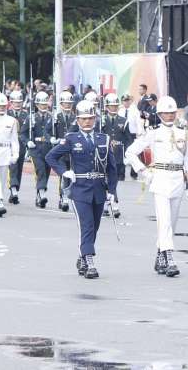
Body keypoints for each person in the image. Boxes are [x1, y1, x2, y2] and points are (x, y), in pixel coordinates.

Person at [125, 96, 188, 278]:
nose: (170, 115)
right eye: (166, 112)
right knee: (164, 221)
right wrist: (144, 171)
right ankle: (170, 257)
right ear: (159, 114)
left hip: (178, 179)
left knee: (171, 222)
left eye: (172, 112)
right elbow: (131, 152)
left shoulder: (184, 133)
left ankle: (161, 253)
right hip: (161, 178)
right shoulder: (153, 132)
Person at [46, 100, 117, 279]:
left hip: (99, 188)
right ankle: (89, 260)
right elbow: (51, 157)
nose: (87, 122)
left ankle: (82, 256)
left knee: (95, 227)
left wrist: (112, 191)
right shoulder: (71, 138)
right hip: (80, 189)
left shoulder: (104, 138)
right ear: (77, 120)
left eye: (90, 118)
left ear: (95, 119)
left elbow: (112, 168)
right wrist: (64, 172)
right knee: (87, 226)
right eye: (83, 119)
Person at [21, 91, 55, 208]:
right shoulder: (31, 118)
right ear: (36, 105)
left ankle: (39, 195)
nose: (43, 106)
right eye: (41, 104)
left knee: (46, 172)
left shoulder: (52, 117)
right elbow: (23, 134)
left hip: (49, 149)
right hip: (36, 149)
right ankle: (42, 193)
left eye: (45, 104)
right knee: (40, 171)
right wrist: (27, 141)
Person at [100, 93, 131, 217]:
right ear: (107, 106)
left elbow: (129, 139)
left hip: (118, 155)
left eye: (115, 106)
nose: (114, 108)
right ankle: (114, 204)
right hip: (104, 155)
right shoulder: (101, 121)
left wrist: (128, 154)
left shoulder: (123, 121)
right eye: (111, 106)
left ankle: (107, 204)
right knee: (106, 180)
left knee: (113, 181)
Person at [53, 90, 77, 212]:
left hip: (73, 151)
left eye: (69, 103)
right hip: (61, 151)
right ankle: (63, 197)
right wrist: (52, 139)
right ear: (61, 104)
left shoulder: (76, 118)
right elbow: (48, 131)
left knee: (72, 174)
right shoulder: (55, 118)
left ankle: (70, 195)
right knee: (64, 174)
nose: (67, 105)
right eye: (65, 103)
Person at [7, 90, 27, 204]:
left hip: (22, 145)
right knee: (13, 167)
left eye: (19, 102)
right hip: (9, 145)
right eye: (15, 102)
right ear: (11, 102)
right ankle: (13, 189)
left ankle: (14, 190)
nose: (17, 104)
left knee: (19, 169)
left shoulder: (26, 115)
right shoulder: (7, 114)